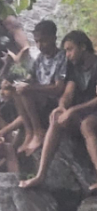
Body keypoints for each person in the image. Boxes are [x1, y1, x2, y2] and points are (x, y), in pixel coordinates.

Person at [20, 31, 97, 190]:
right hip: (83, 113)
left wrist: (74, 109)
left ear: (83, 47)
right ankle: (40, 175)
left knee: (87, 125)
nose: (67, 55)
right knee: (57, 119)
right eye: (66, 50)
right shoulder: (75, 68)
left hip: (92, 113)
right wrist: (62, 106)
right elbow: (68, 92)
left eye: (70, 49)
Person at [10, 20, 68, 155]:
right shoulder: (40, 58)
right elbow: (31, 78)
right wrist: (16, 84)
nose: (40, 45)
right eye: (37, 42)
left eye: (43, 41)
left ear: (53, 38)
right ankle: (29, 131)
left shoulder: (62, 58)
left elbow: (58, 88)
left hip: (53, 102)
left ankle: (38, 131)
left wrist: (31, 88)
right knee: (16, 89)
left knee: (27, 92)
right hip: (39, 99)